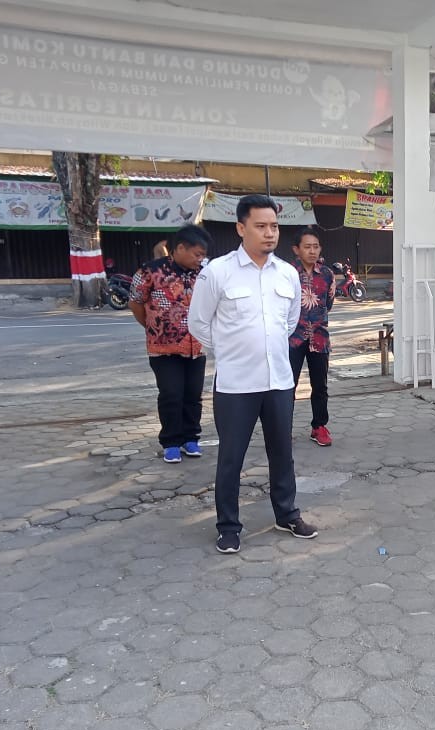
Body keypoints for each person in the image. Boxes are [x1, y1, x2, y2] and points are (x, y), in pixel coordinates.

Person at [187, 194, 318, 554]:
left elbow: (289, 321)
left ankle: (287, 514)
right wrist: (230, 349)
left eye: (274, 226)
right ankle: (228, 526)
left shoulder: (287, 274)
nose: (269, 233)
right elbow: (198, 322)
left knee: (282, 453)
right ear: (241, 228)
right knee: (232, 458)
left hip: (279, 381)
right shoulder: (218, 272)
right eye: (261, 226)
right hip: (236, 384)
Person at [129, 223, 213, 465]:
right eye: (197, 254)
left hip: (196, 347)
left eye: (203, 255)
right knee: (171, 394)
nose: (200, 259)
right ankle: (171, 443)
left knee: (193, 395)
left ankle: (191, 438)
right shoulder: (150, 271)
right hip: (163, 349)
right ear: (180, 248)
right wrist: (153, 327)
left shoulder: (204, 273)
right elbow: (135, 302)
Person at [288, 226, 336, 446]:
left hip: (319, 337)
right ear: (296, 249)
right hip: (292, 338)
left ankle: (319, 426)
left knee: (320, 385)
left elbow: (328, 303)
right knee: (288, 385)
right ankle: (283, 428)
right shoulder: (287, 273)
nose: (312, 251)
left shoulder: (327, 274)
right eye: (307, 247)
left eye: (316, 246)